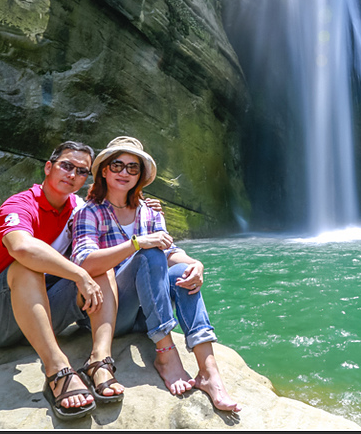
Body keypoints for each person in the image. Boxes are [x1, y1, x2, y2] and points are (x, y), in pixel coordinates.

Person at [71, 135, 243, 413]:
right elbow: (85, 263)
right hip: (107, 313)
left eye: (132, 168)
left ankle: (209, 373)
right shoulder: (89, 213)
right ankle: (165, 354)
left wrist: (196, 264)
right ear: (104, 170)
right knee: (148, 253)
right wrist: (137, 244)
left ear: (140, 176)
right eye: (117, 165)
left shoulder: (148, 213)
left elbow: (170, 250)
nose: (124, 173)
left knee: (181, 272)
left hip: (144, 314)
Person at [0, 140, 124, 421]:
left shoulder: (79, 209)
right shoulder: (21, 203)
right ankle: (57, 370)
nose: (72, 174)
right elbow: (21, 248)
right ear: (49, 167)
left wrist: (144, 209)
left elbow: (119, 239)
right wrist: (79, 274)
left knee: (100, 264)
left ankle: (99, 361)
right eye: (66, 166)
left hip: (41, 313)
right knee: (26, 267)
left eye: (81, 171)